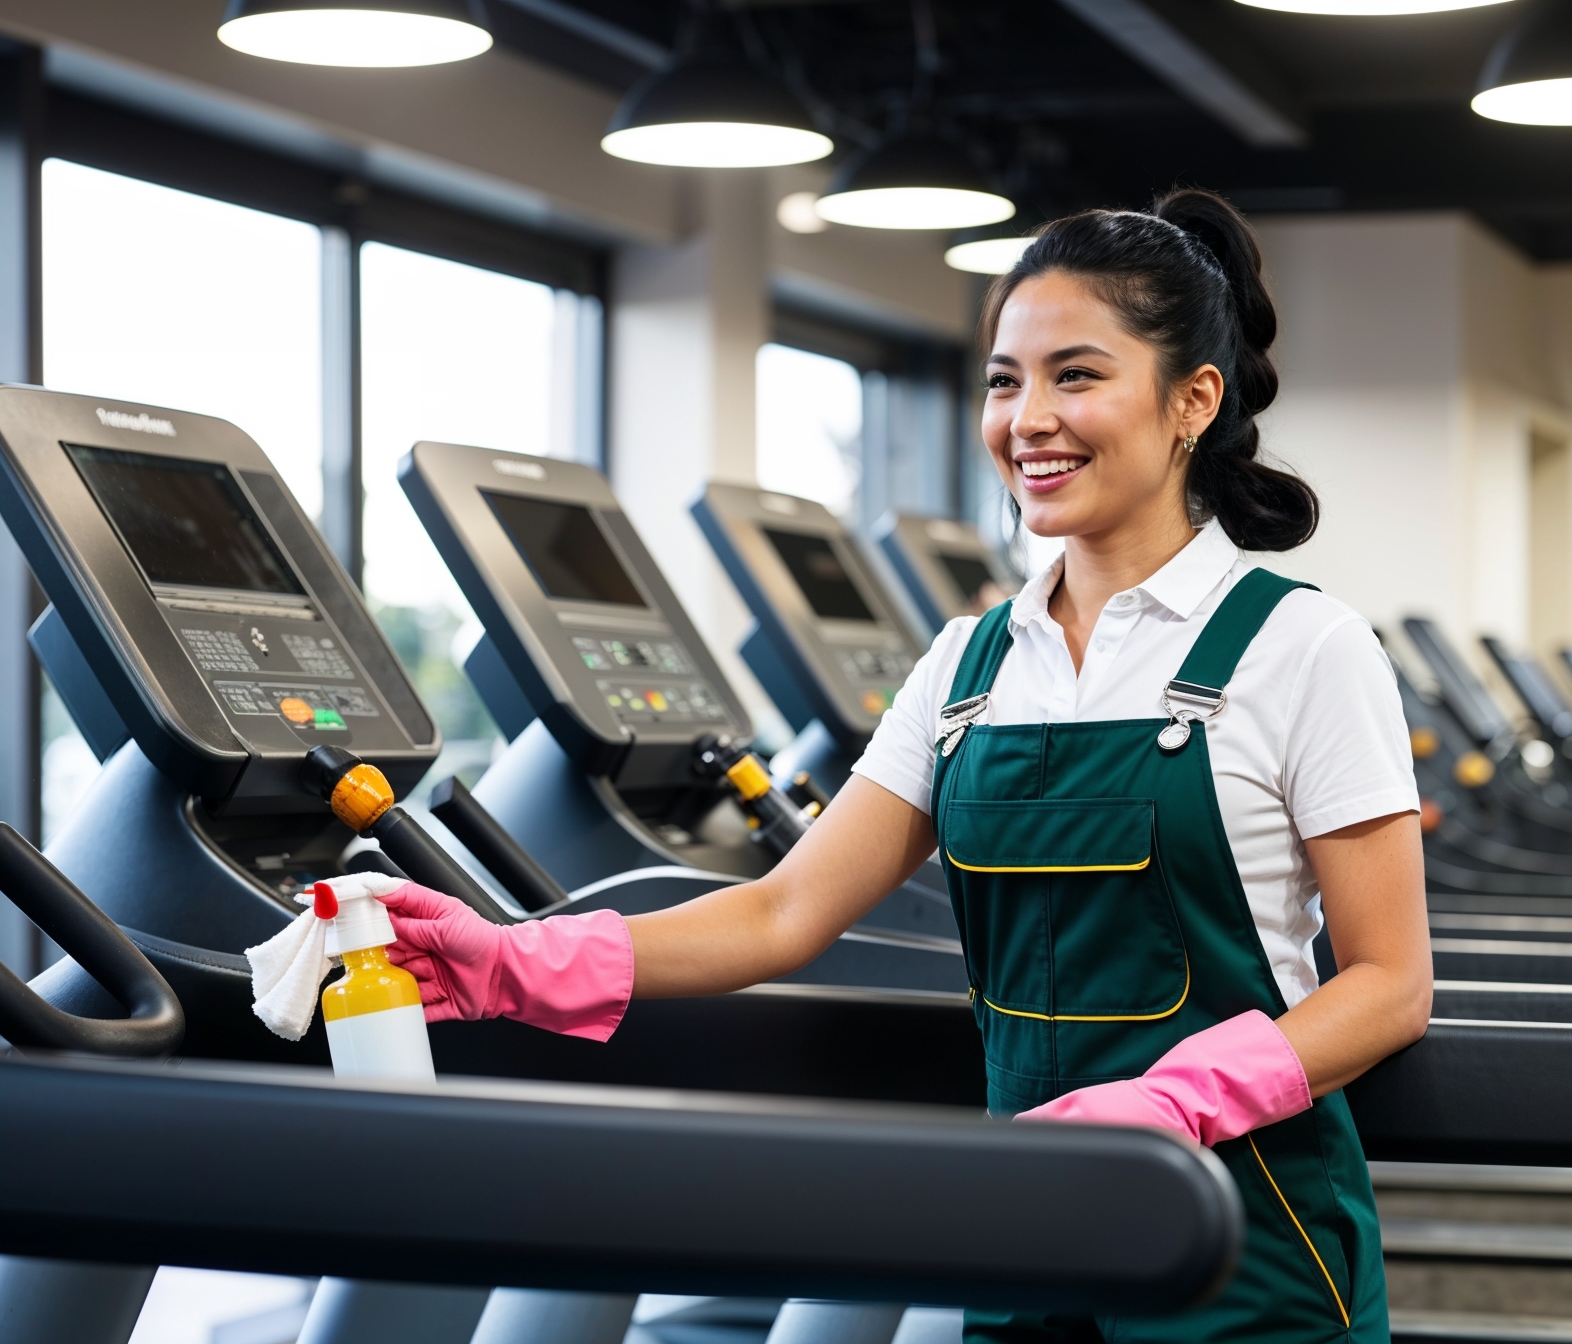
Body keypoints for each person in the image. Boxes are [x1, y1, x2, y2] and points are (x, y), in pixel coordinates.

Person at [377, 187, 1431, 1344]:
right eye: (1003, 379)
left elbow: (1387, 981)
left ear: (1192, 401)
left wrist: (1180, 1099)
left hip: (1250, 1243)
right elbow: (784, 909)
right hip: (1027, 1234)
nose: (1028, 417)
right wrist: (516, 961)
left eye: (1076, 376)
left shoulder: (1303, 646)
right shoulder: (968, 666)